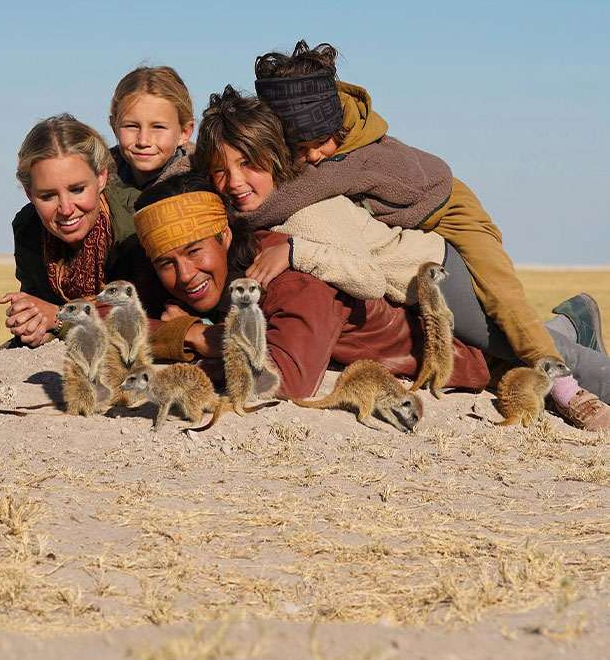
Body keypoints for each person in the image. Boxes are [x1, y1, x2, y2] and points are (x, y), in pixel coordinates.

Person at [193, 85, 610, 428]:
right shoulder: (261, 209)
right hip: (410, 292)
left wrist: (297, 253)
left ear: (275, 158)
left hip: (437, 277)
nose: (234, 182)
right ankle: (575, 320)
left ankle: (575, 387)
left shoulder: (307, 213)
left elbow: (370, 279)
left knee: (523, 346)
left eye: (248, 164)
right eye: (220, 171)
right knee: (499, 352)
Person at [131, 172, 490, 399]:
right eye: (166, 263)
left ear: (224, 237)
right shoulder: (192, 275)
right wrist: (190, 333)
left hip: (456, 363)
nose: (185, 275)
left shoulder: (292, 280)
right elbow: (107, 314)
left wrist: (205, 338)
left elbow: (286, 379)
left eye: (195, 252)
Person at [0, 113, 152, 347]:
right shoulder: (28, 229)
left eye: (77, 189)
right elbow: (39, 305)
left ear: (101, 178)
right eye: (47, 196)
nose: (66, 209)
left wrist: (59, 320)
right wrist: (33, 323)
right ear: (29, 194)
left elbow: (144, 314)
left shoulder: (136, 219)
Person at [108, 65, 194, 190]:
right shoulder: (96, 184)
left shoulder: (199, 191)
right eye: (132, 126)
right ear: (114, 127)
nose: (143, 141)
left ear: (184, 132)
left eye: (158, 127)